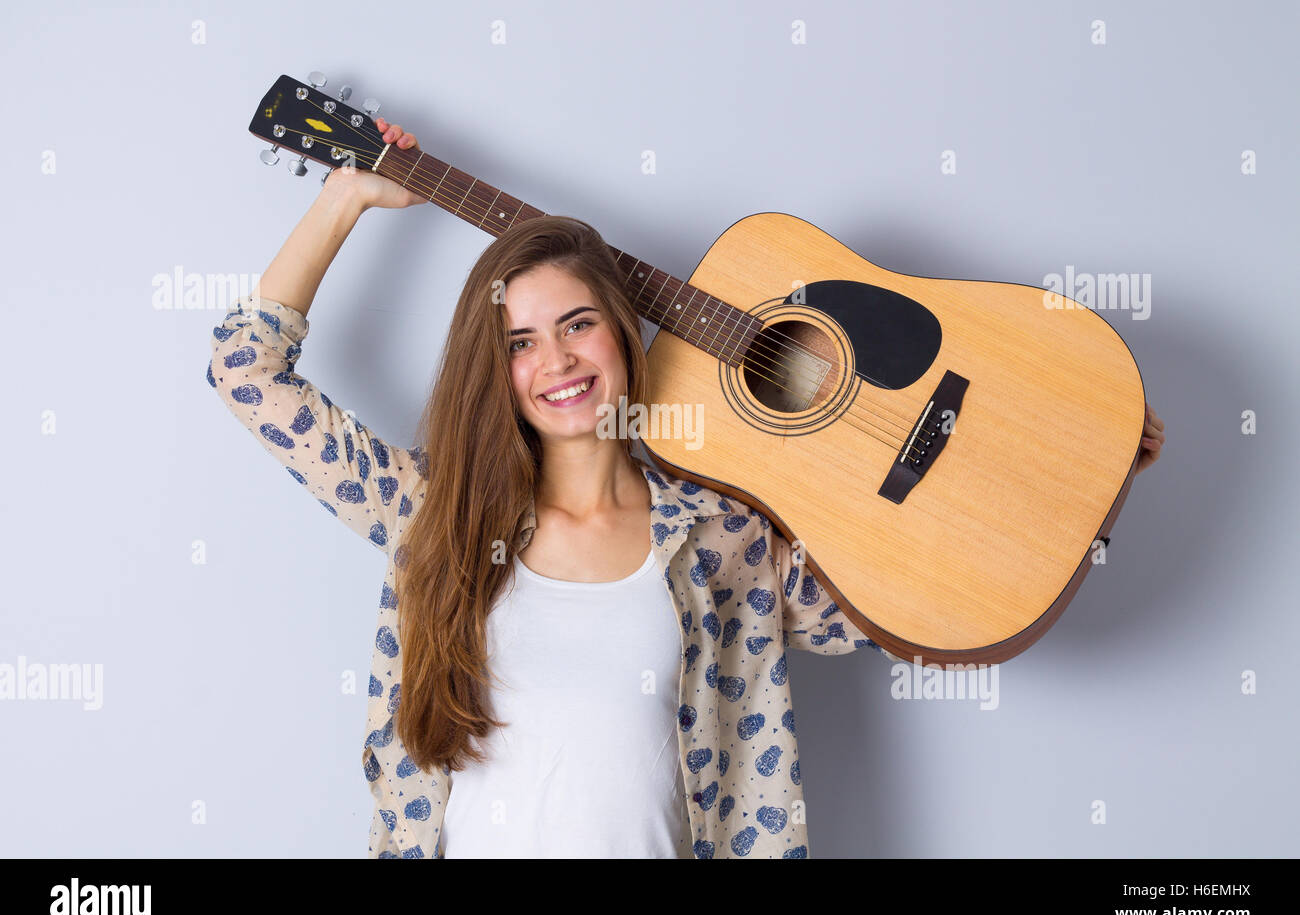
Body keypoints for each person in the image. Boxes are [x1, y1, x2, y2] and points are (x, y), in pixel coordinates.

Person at [207, 119, 1165, 859]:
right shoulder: (435, 520)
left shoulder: (726, 544)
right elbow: (248, 373)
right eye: (520, 342)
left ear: (625, 336)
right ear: (491, 368)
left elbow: (937, 599)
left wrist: (1082, 468)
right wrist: (344, 200)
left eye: (578, 325)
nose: (557, 362)